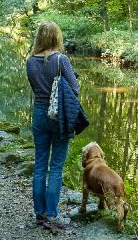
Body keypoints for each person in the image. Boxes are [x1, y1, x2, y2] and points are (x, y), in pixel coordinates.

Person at [26, 21, 79, 230]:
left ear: (39, 37)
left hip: (39, 113)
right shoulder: (61, 60)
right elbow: (74, 89)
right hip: (59, 116)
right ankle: (52, 214)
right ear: (57, 37)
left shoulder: (30, 61)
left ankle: (39, 214)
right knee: (55, 167)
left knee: (40, 165)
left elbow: (36, 88)